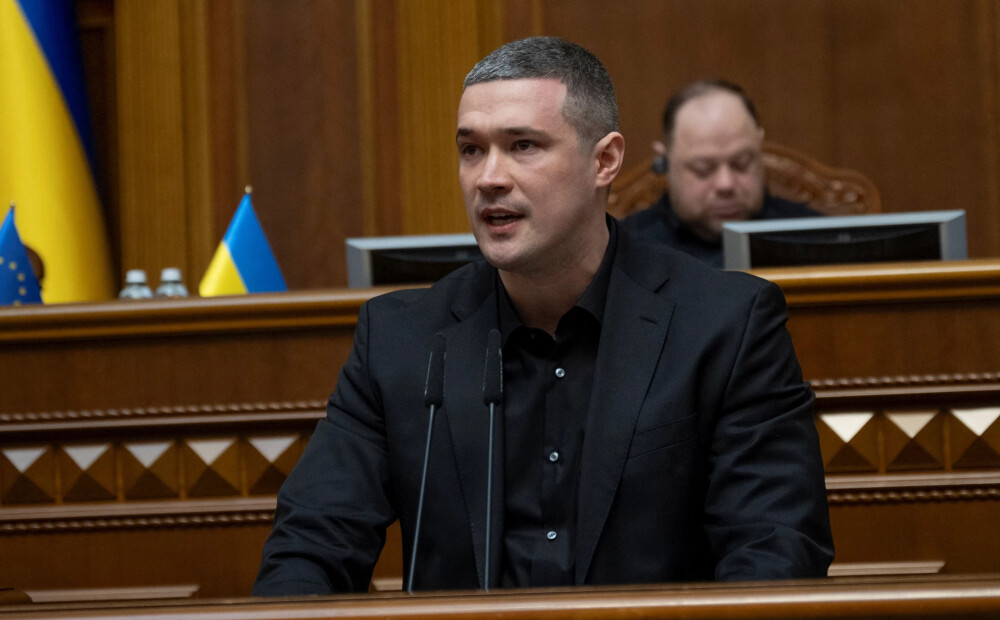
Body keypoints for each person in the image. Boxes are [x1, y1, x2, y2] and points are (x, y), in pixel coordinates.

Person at [253, 37, 833, 595]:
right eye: (471, 149)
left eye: (523, 145)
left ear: (604, 160)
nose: (489, 178)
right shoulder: (402, 339)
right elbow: (309, 547)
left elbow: (775, 551)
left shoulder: (726, 326)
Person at [621, 80, 820, 268]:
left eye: (742, 163)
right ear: (665, 161)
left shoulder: (814, 238)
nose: (726, 184)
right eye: (703, 169)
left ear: (759, 148)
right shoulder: (625, 251)